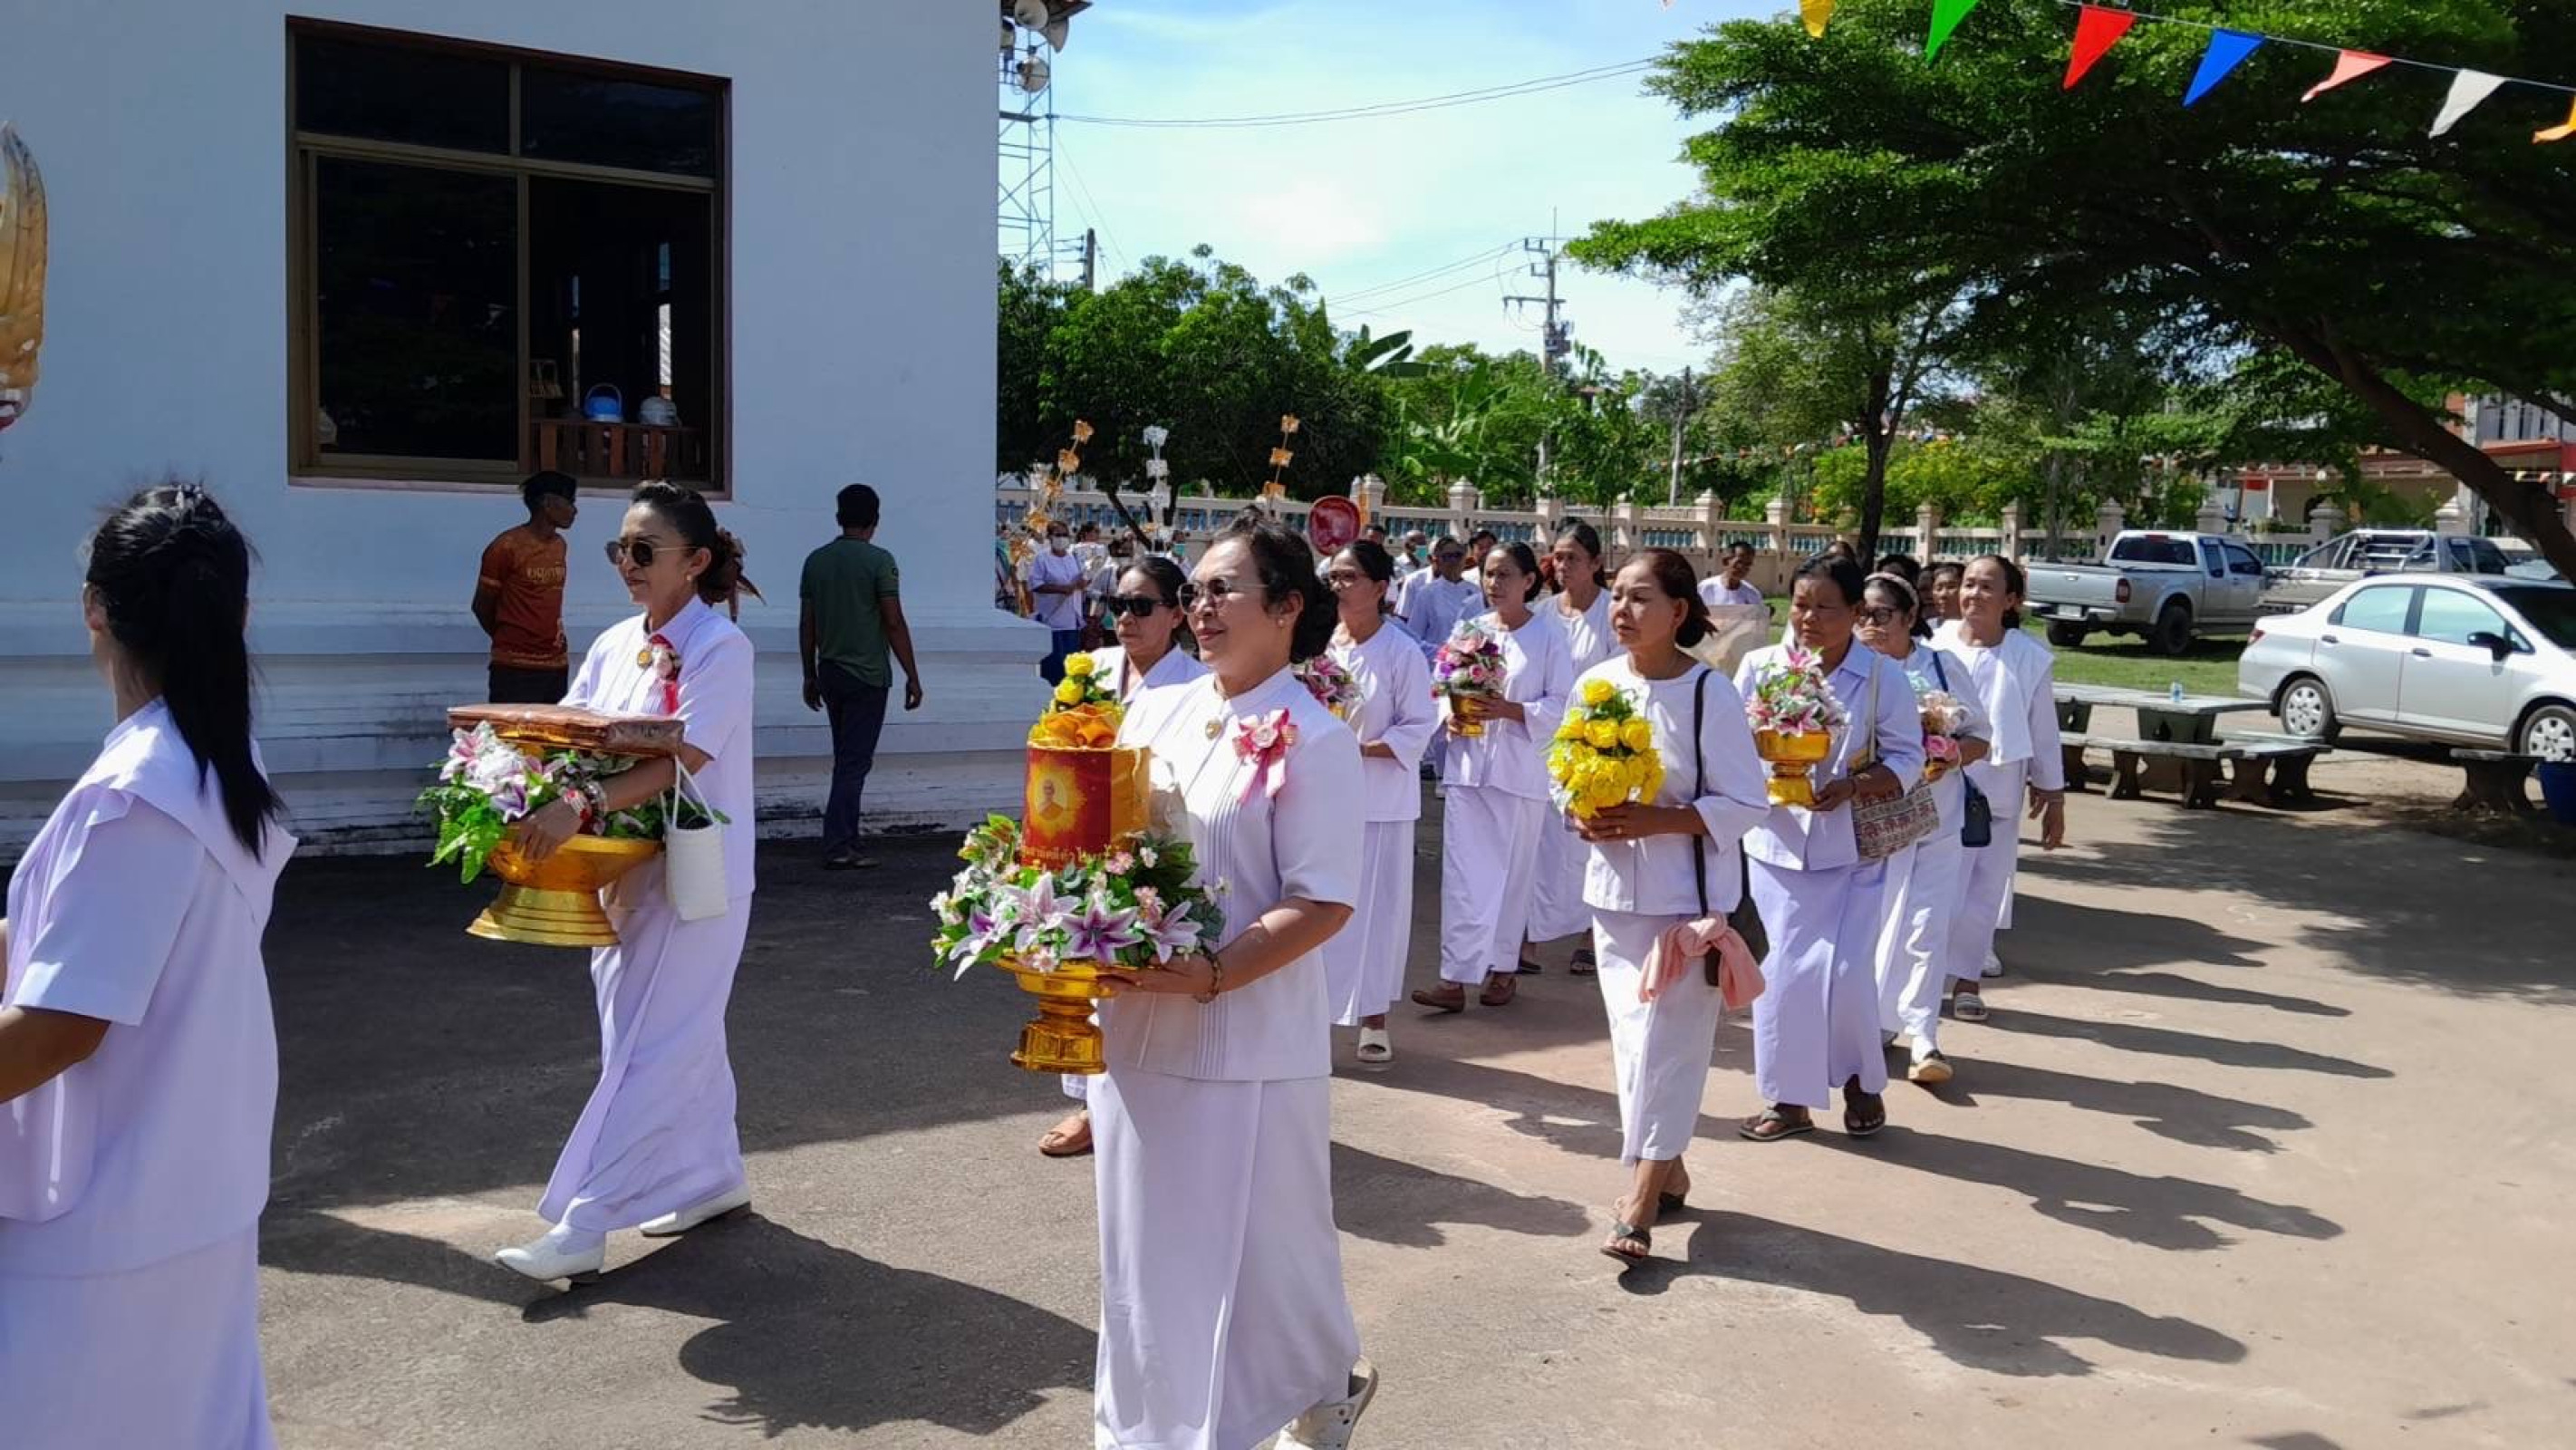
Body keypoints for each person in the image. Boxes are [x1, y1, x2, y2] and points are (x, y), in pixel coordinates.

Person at [1, 485, 292, 1450]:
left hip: (106, 1209)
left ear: (94, 606)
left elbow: (60, 1025)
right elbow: (73, 947)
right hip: (182, 1179)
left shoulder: (134, 795)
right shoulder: (213, 763)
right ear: (237, 613)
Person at [1093, 517, 1377, 1450]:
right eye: (1198, 592)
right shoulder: (1156, 710)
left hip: (1244, 1038)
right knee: (1146, 1255)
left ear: (1289, 607)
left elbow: (1322, 900)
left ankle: (1218, 1422)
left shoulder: (1317, 740)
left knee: (1255, 1255)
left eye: (1225, 591)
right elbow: (1106, 845)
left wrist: (1207, 973)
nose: (1200, 609)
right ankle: (1167, 1421)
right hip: (1135, 1025)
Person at [494, 481, 761, 1281]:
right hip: (612, 871)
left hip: (693, 876)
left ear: (697, 561)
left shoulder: (722, 647)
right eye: (620, 549)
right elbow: (566, 729)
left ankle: (584, 1223)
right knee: (664, 1035)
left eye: (644, 550)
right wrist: (505, 771)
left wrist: (579, 802)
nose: (626, 564)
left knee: (650, 1046)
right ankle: (713, 1176)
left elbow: (687, 755)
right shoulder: (614, 643)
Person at [1568, 548, 1771, 1267]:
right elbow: (1567, 777)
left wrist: (1660, 820)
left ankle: (1640, 1197)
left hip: (1688, 906)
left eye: (1640, 598)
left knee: (1666, 1044)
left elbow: (1746, 802)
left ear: (1679, 613)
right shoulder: (1595, 684)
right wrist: (1583, 811)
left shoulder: (1707, 693)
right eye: (1616, 596)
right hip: (1615, 900)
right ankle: (1670, 1164)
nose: (1622, 611)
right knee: (1633, 1047)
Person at [1733, 555, 1924, 1142]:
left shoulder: (1881, 677)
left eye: (1824, 607)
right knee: (1784, 973)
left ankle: (1860, 1081)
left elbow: (1908, 758)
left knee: (1845, 974)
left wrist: (1853, 787)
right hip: (1776, 843)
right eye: (1799, 604)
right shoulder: (1761, 666)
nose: (1808, 618)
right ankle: (1788, 1101)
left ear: (1853, 613)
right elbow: (1730, 744)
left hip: (1852, 850)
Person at [1037, 553, 1209, 1161]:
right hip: (1082, 839)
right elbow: (1056, 743)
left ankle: (1139, 1098)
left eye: (1141, 606)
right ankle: (1088, 1102)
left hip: (1150, 845)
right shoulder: (1093, 669)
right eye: (1117, 605)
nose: (1126, 618)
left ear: (1176, 614)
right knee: (1083, 969)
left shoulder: (1195, 685)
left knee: (1132, 976)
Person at [1413, 542, 1572, 1014]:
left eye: (1505, 575)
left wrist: (1511, 710)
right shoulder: (1471, 630)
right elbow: (1440, 687)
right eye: (1488, 574)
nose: (1494, 584)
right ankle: (1454, 978)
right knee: (1463, 875)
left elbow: (1563, 705)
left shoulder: (1548, 637)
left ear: (1529, 582)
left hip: (1519, 774)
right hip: (1468, 769)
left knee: (1512, 874)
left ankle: (1503, 968)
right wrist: (1451, 714)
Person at [1855, 573, 1990, 1085]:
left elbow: (1982, 739)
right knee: (1875, 924)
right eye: (1862, 615)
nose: (1870, 625)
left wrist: (1946, 753)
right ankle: (1874, 1024)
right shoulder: (1849, 672)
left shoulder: (1940, 667)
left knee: (1927, 925)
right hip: (1871, 823)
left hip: (1936, 817)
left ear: (1911, 618)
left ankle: (1925, 1036)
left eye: (1881, 615)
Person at [1318, 539, 1439, 1067]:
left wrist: (1361, 747)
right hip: (1323, 797)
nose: (1340, 586)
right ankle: (1314, 1015)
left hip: (1382, 799)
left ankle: (1374, 1020)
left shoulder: (1401, 652)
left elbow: (1420, 724)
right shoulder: (1323, 646)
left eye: (1350, 577)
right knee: (1318, 906)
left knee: (1377, 914)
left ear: (1380, 588)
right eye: (1335, 578)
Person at [1934, 556, 2068, 1020]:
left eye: (1987, 587)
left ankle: (1967, 980)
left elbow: (2043, 731)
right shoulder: (1933, 643)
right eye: (1968, 584)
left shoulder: (2029, 658)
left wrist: (2052, 795)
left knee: (1983, 889)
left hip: (1996, 792)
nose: (1973, 594)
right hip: (1934, 789)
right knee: (1933, 890)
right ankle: (1923, 982)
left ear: (2011, 600)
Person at [800, 483, 923, 872]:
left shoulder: (816, 561)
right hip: (868, 673)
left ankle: (846, 837)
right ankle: (839, 843)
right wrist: (913, 675)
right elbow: (893, 621)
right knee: (854, 764)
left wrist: (808, 673)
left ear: (839, 518)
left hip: (831, 670)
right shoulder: (879, 561)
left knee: (845, 760)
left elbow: (808, 624)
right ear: (875, 521)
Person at [1526, 522, 1618, 977]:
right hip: (1543, 738)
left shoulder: (1611, 613)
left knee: (1584, 841)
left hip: (1596, 741)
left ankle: (1589, 932)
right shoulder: (1542, 614)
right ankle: (1531, 935)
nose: (1562, 566)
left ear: (1596, 564)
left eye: (1573, 559)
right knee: (1540, 840)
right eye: (1558, 557)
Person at [474, 469, 579, 703]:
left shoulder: (560, 545)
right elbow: (482, 605)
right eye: (569, 502)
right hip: (514, 666)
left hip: (555, 663)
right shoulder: (506, 547)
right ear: (548, 503)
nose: (574, 510)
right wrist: (511, 635)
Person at [1394, 536, 1480, 662]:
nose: (1453, 560)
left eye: (1458, 555)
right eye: (1447, 556)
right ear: (1438, 560)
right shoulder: (1426, 593)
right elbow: (1414, 637)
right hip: (1436, 665)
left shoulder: (1476, 591)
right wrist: (1443, 654)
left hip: (1470, 666)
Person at [1027, 522, 1088, 683]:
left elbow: (1080, 580)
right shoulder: (1042, 558)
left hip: (1071, 620)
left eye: (1064, 535)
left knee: (1070, 669)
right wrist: (1060, 589)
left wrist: (1081, 585)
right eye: (1058, 535)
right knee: (1054, 668)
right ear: (1050, 537)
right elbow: (1035, 585)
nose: (1062, 539)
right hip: (1051, 620)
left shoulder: (1072, 558)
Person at [1698, 541, 1762, 610]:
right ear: (1725, 561)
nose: (1743, 568)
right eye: (1739, 562)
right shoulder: (1705, 588)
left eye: (1748, 564)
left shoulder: (1752, 593)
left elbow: (1758, 618)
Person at [1924, 560, 1965, 628]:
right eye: (1938, 588)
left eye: (1951, 587)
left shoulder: (1978, 629)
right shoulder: (1926, 628)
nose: (1943, 595)